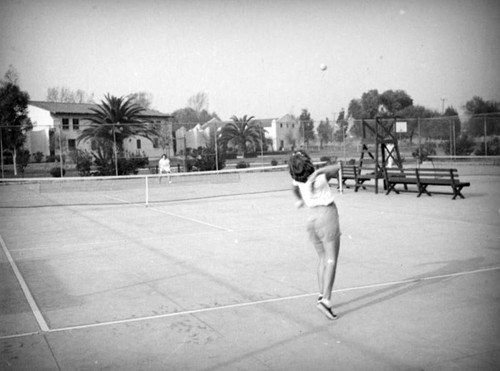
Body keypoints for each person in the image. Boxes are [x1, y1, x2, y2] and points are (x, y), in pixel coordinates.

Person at [288, 150, 341, 320]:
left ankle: (321, 294)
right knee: (331, 260)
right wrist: (318, 171)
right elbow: (338, 166)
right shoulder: (319, 178)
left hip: (312, 220)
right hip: (327, 216)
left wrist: (299, 200)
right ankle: (325, 300)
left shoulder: (298, 180)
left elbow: (294, 188)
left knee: (323, 259)